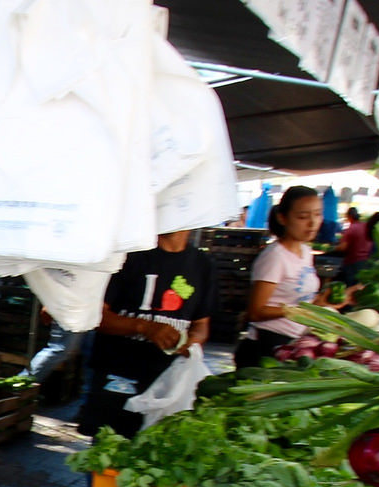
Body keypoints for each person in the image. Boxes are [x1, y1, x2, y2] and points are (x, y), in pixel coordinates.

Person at [77, 229, 215, 438]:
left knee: (155, 446)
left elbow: (202, 323)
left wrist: (193, 341)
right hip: (118, 373)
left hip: (168, 379)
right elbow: (93, 315)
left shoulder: (203, 265)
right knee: (109, 446)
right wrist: (144, 327)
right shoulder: (126, 256)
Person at [236, 185, 327, 370]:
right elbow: (255, 312)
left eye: (317, 214)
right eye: (303, 217)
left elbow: (302, 301)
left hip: (293, 343)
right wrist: (297, 311)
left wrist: (323, 301)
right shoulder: (275, 257)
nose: (312, 223)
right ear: (282, 218)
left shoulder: (305, 252)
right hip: (267, 346)